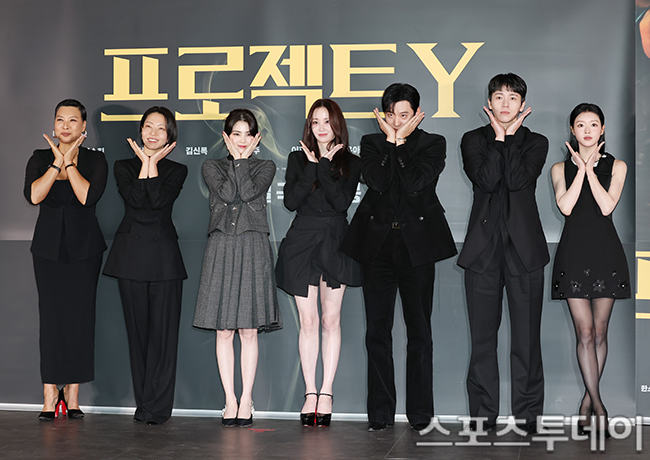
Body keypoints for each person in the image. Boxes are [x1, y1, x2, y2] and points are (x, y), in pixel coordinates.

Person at [340, 83, 457, 432]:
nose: (396, 121)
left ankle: (420, 412)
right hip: (376, 247)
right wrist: (390, 142)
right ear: (383, 114)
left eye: (404, 115)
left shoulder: (433, 143)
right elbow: (376, 181)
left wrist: (401, 143)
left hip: (417, 247)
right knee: (377, 331)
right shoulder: (371, 143)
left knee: (420, 331)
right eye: (391, 115)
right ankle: (380, 411)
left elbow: (416, 182)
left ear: (417, 115)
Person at [457, 73, 549, 434]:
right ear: (489, 103)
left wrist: (509, 138)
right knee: (482, 340)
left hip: (525, 252)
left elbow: (517, 181)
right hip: (482, 251)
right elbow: (487, 181)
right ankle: (483, 416)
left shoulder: (536, 142)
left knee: (527, 340)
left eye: (512, 98)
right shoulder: (472, 140)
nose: (505, 103)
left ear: (523, 104)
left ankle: (528, 416)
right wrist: (497, 138)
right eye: (499, 97)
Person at [193, 108, 282, 428]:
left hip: (253, 246)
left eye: (248, 134)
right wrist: (237, 162)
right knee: (223, 330)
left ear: (257, 138)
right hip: (221, 246)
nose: (242, 140)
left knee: (248, 330)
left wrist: (242, 161)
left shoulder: (266, 167)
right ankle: (229, 399)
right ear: (226, 136)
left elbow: (247, 192)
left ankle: (246, 400)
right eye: (236, 134)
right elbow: (229, 193)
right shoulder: (211, 166)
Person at [276, 99, 361, 427]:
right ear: (309, 126)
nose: (321, 127)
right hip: (301, 241)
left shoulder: (351, 162)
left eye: (327, 121)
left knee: (330, 320)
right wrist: (312, 167)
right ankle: (310, 391)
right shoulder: (297, 159)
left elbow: (340, 202)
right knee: (308, 321)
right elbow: (290, 202)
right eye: (315, 122)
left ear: (337, 125)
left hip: (336, 241)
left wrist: (324, 165)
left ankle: (327, 392)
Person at [24, 99, 107, 421]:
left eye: (73, 121)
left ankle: (72, 393)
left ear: (84, 126)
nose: (66, 126)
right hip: (47, 250)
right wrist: (56, 163)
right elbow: (34, 195)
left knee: (79, 320)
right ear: (54, 124)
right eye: (61, 120)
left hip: (85, 250)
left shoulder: (95, 160)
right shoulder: (39, 158)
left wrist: (69, 163)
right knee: (51, 320)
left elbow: (87, 196)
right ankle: (50, 394)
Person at [103, 106, 187, 425]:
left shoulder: (177, 170)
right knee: (137, 336)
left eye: (160, 128)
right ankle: (143, 404)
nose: (153, 133)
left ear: (170, 135)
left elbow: (158, 203)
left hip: (164, 259)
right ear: (140, 131)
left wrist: (151, 163)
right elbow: (137, 202)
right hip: (130, 259)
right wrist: (145, 163)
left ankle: (159, 408)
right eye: (148, 126)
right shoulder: (123, 166)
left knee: (163, 339)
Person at [550, 103, 629, 438]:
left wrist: (592, 171)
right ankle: (599, 406)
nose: (587, 130)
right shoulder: (558, 168)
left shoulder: (618, 166)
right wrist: (580, 169)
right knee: (584, 333)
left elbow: (607, 206)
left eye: (593, 124)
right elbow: (566, 207)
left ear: (602, 129)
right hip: (573, 254)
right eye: (580, 125)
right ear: (572, 130)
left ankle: (586, 403)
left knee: (599, 333)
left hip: (605, 254)